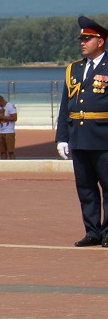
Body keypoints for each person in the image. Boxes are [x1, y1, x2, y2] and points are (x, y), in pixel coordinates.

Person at [57, 16, 108, 247]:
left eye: (88, 38)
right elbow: (65, 106)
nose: (82, 42)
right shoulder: (74, 69)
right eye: (82, 39)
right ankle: (92, 232)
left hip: (104, 137)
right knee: (85, 189)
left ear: (101, 41)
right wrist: (62, 138)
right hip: (79, 138)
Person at [0, 95, 17, 160]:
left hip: (9, 131)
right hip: (1, 131)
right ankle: (4, 164)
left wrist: (2, 117)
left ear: (2, 101)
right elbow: (1, 117)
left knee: (11, 151)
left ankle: (13, 164)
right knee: (2, 151)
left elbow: (14, 118)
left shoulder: (10, 106)